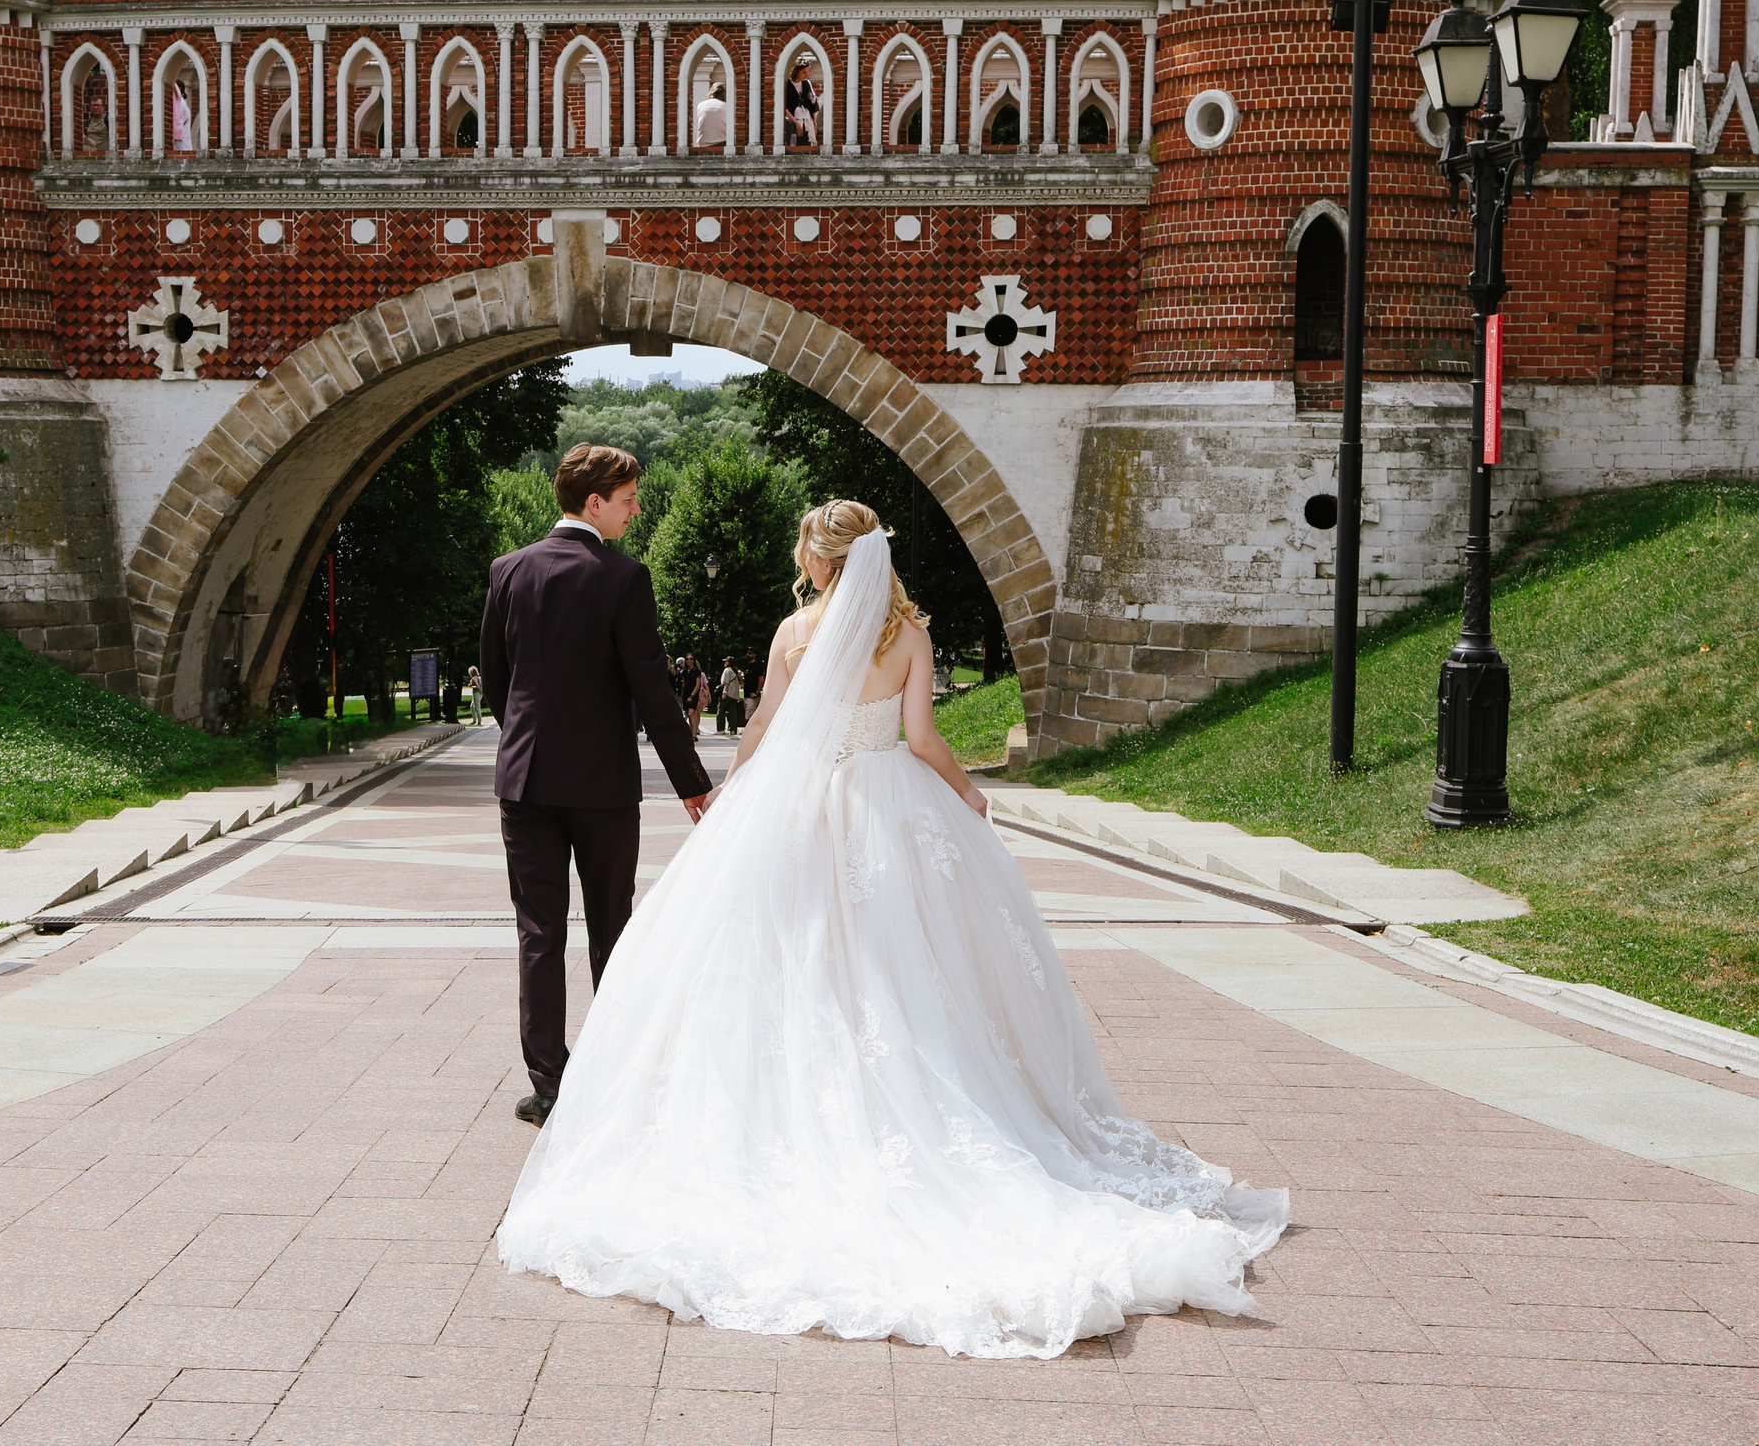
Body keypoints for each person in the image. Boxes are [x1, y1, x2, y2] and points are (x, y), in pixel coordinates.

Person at [497, 500, 1286, 1359]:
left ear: (818, 558)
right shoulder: (907, 636)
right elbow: (920, 739)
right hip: (888, 812)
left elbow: (762, 724)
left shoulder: (795, 632)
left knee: (802, 964)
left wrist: (727, 794)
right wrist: (970, 794)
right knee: (908, 970)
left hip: (800, 813)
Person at [480, 445, 713, 1129]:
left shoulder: (507, 571)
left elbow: (497, 681)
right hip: (605, 787)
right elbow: (651, 688)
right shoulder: (623, 577)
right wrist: (691, 783)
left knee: (537, 931)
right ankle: (614, 1076)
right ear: (594, 503)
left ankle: (549, 1086)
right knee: (612, 927)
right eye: (629, 497)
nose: (637, 508)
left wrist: (528, 742)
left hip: (524, 782)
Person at [716, 656, 745, 734]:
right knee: (732, 712)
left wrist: (724, 692)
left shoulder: (727, 670)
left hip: (728, 693)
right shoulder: (735, 672)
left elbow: (726, 683)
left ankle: (721, 728)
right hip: (734, 694)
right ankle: (733, 729)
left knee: (721, 710)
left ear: (728, 662)